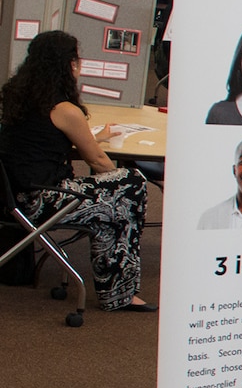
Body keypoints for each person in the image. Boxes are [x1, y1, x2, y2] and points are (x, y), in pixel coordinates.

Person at [0, 30, 152, 310]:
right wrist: (112, 177)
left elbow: (42, 142)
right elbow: (98, 162)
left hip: (15, 198)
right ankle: (120, 293)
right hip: (44, 200)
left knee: (110, 212)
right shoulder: (65, 109)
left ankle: (118, 293)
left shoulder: (17, 97)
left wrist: (97, 139)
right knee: (130, 184)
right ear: (70, 64)